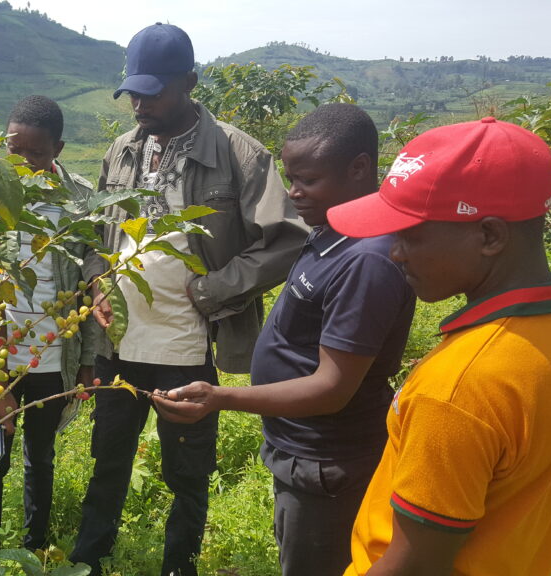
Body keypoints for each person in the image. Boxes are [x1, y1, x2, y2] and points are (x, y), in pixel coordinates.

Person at [71, 23, 309, 576]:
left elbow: (289, 240)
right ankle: (88, 561)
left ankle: (181, 565)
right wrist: (99, 281)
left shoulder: (237, 154)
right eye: (133, 91)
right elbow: (94, 238)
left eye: (153, 91)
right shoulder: (121, 150)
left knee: (187, 472)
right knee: (108, 460)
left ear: (190, 83)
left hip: (190, 346)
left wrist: (211, 289)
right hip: (118, 344)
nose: (139, 102)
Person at [152, 103, 416, 576]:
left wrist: (221, 398)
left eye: (307, 181)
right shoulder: (333, 230)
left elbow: (333, 387)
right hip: (302, 452)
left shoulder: (367, 260)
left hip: (326, 465)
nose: (293, 194)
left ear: (359, 169)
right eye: (290, 178)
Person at [328, 118, 551, 575]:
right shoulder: (545, 331)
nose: (395, 252)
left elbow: (416, 564)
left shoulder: (458, 389)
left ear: (490, 236)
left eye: (410, 235)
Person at [0, 95, 98, 556]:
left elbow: (92, 284)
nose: (25, 162)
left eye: (38, 153)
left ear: (59, 150)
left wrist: (86, 362)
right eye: (15, 150)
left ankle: (34, 544)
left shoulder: (80, 199)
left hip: (53, 355)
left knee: (39, 455)